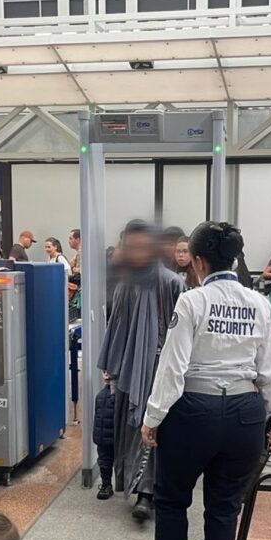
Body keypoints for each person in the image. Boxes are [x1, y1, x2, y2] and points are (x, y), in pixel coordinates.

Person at [129, 222, 271, 540]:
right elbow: (268, 369)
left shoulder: (193, 301)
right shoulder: (260, 303)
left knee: (173, 499)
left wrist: (153, 418)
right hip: (246, 411)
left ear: (196, 260)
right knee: (225, 504)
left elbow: (172, 367)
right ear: (235, 257)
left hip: (194, 409)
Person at [98, 220, 184, 521]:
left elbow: (183, 333)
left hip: (159, 369)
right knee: (131, 426)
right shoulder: (125, 283)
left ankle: (147, 493)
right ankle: (136, 485)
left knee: (152, 427)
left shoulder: (172, 282)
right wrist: (110, 364)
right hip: (128, 368)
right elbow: (116, 326)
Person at [92, 381, 116, 499]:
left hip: (118, 438)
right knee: (104, 462)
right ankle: (106, 485)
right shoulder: (100, 395)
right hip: (104, 439)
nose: (106, 373)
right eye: (104, 371)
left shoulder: (120, 395)